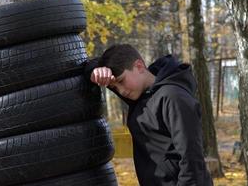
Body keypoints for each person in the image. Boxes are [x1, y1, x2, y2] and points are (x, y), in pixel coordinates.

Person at [85, 44, 213, 186]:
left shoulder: (174, 97)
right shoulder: (139, 96)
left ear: (139, 66)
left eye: (121, 81)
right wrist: (97, 70)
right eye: (114, 87)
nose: (120, 91)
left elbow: (192, 160)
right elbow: (91, 67)